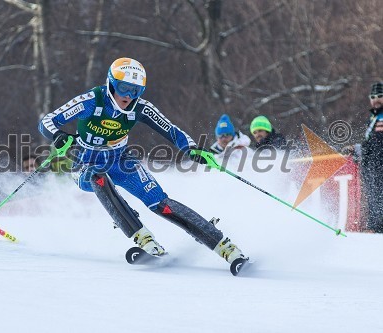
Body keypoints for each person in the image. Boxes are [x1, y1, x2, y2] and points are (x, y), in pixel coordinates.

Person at [38, 57, 248, 274]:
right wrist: (58, 136)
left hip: (121, 161)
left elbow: (172, 131)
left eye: (136, 91)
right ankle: (143, 237)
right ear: (111, 83)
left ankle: (224, 246)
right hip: (86, 162)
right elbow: (47, 122)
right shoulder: (92, 100)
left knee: (160, 203)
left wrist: (191, 149)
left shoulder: (141, 108)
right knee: (97, 176)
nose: (129, 96)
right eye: (124, 88)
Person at [360, 82, 383, 233]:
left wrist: (360, 149)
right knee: (374, 196)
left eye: (380, 96)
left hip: (379, 165)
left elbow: (377, 141)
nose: (376, 100)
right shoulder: (373, 118)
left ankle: (377, 228)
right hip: (373, 167)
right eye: (373, 97)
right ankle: (375, 227)